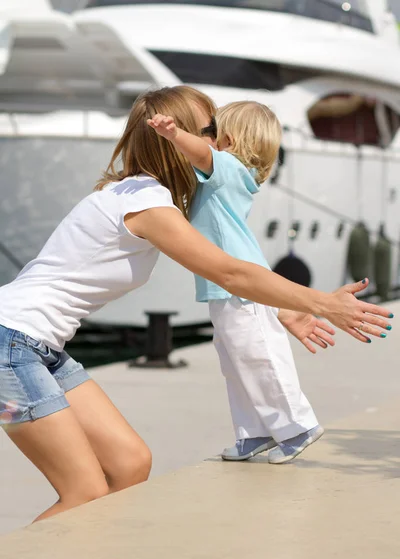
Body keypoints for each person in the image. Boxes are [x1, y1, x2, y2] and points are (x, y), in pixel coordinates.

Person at [0, 86, 392, 523]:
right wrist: (321, 302)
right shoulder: (146, 204)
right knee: (84, 490)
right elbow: (229, 273)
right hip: (10, 345)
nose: (221, 141)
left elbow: (233, 257)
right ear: (178, 137)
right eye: (213, 130)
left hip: (38, 347)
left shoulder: (147, 197)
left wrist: (281, 309)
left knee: (131, 464)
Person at [147, 99, 393, 464]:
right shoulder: (230, 176)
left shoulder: (227, 168)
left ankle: (298, 427)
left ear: (227, 140)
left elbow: (201, 153)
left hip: (241, 287)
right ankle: (254, 432)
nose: (205, 139)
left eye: (211, 133)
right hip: (228, 287)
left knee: (259, 356)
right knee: (236, 361)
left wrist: (173, 134)